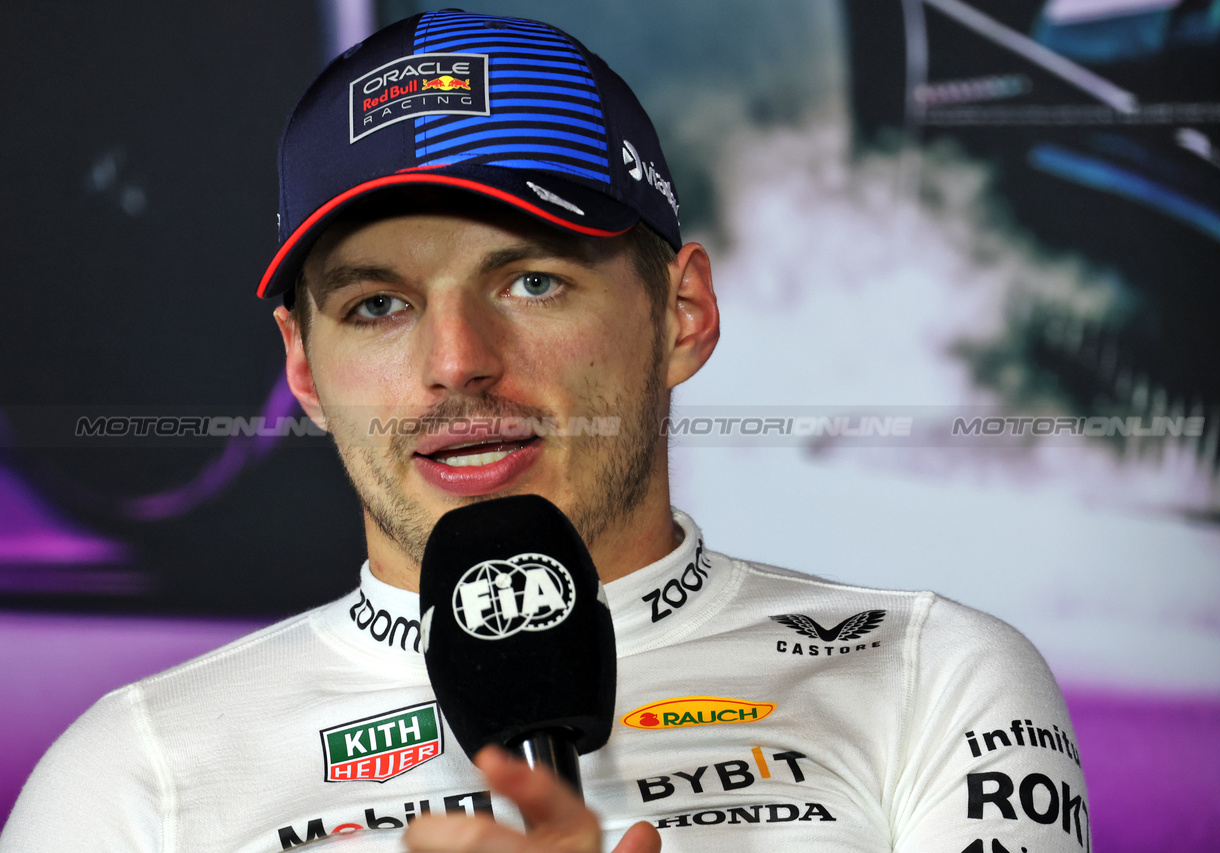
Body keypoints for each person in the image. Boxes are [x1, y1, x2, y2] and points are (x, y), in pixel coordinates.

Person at [0, 9, 1090, 853]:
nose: (456, 359)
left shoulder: (926, 676)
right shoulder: (132, 771)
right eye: (377, 304)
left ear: (682, 314)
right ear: (302, 368)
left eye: (529, 279)